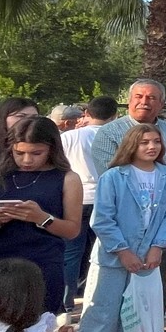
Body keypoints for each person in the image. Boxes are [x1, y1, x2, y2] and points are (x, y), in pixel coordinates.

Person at [69, 122, 166, 332]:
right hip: (113, 260)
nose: (151, 147)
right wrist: (122, 250)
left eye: (156, 141)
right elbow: (102, 219)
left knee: (135, 318)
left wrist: (158, 247)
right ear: (132, 145)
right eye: (144, 142)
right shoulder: (114, 177)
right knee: (101, 318)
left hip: (147, 261)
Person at [91, 79, 166, 330]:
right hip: (122, 228)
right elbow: (110, 176)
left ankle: (152, 328)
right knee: (114, 290)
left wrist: (165, 193)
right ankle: (116, 331)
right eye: (138, 96)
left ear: (162, 103)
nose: (144, 102)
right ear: (129, 99)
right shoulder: (109, 133)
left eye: (151, 98)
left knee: (156, 278)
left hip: (157, 226)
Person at [0, 117, 83, 315]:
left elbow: (72, 230)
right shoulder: (2, 175)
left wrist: (41, 218)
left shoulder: (68, 179)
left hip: (42, 264)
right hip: (2, 263)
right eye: (20, 153)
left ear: (52, 149)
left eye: (37, 153)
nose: (27, 160)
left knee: (36, 331)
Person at [60, 96, 117, 314]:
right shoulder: (116, 137)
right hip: (106, 200)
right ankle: (95, 295)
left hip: (76, 199)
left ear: (87, 114)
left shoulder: (70, 137)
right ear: (115, 115)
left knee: (71, 253)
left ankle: (66, 302)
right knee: (101, 251)